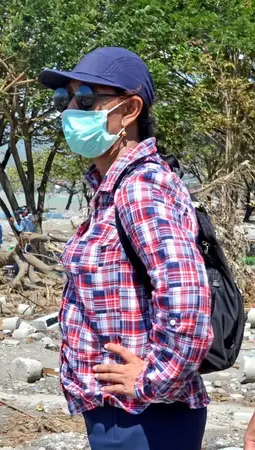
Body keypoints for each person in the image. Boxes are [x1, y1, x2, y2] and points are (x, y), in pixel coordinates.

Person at [39, 47, 212, 450]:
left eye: (85, 100)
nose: (70, 113)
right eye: (63, 100)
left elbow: (186, 293)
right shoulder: (113, 188)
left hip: (144, 414)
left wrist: (156, 377)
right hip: (123, 411)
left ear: (130, 110)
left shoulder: (139, 189)